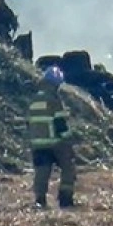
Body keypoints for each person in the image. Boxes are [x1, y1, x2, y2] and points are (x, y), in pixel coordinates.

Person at [28, 65, 77, 209]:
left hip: (37, 144)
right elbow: (60, 124)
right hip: (55, 143)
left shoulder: (34, 99)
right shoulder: (54, 100)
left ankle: (40, 200)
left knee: (41, 173)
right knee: (68, 167)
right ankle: (65, 199)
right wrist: (69, 141)